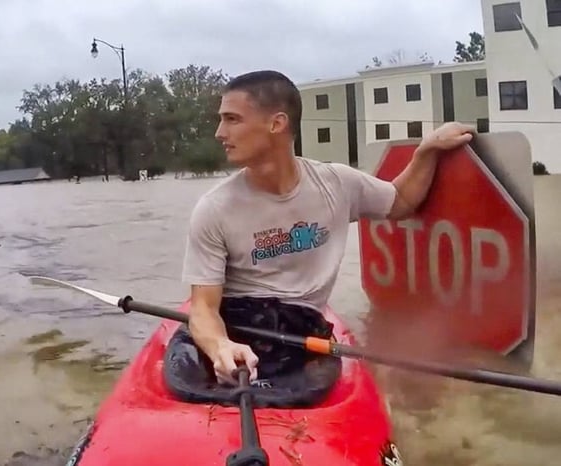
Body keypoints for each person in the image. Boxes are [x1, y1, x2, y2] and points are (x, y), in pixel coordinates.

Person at [181, 70, 475, 386]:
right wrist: (219, 346)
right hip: (240, 330)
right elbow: (203, 308)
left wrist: (426, 151)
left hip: (302, 332)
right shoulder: (214, 208)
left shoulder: (337, 183)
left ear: (276, 124)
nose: (219, 132)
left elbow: (400, 201)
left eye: (232, 119)